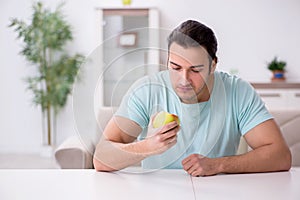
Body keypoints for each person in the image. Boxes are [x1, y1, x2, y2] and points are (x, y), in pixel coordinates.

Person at [93, 20, 291, 176]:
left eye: (195, 70)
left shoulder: (237, 91)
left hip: (219, 191)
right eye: (175, 67)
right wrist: (147, 147)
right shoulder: (147, 90)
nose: (184, 80)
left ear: (213, 65)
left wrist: (217, 165)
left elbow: (280, 156)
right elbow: (101, 159)